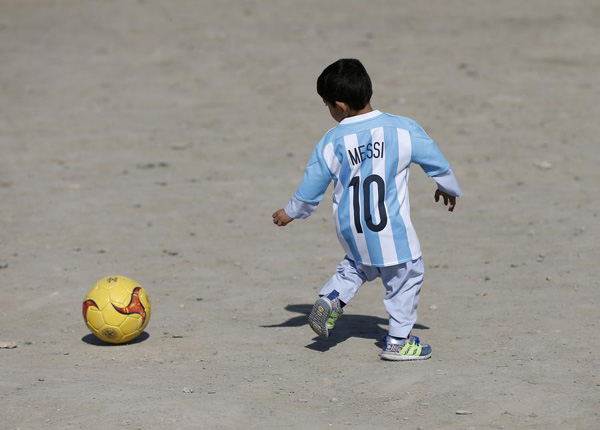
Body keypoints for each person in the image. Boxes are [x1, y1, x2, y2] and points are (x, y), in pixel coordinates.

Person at [272, 59, 462, 361]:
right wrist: (448, 187)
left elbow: (312, 186)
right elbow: (436, 161)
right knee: (406, 278)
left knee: (356, 266)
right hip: (392, 231)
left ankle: (332, 297)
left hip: (353, 229)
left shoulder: (331, 141)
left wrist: (290, 211)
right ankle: (399, 341)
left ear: (339, 106)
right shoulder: (402, 128)